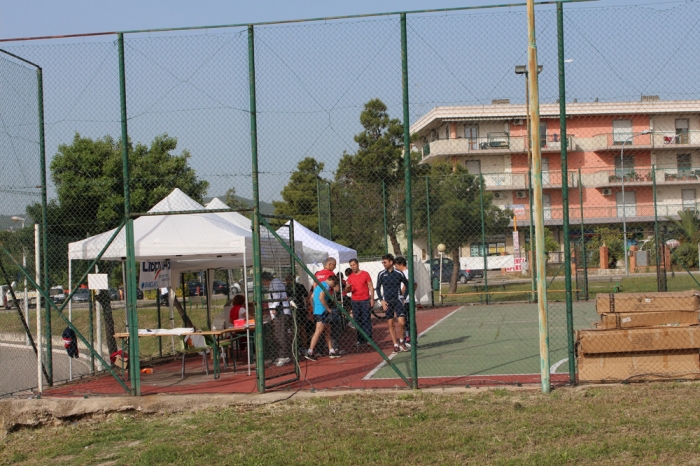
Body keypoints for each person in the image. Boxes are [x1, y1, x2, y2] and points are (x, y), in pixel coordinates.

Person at [309, 258, 345, 355]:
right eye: (334, 265)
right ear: (329, 264)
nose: (335, 267)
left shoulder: (317, 274)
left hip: (317, 304)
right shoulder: (331, 275)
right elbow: (337, 289)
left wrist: (312, 306)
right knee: (330, 327)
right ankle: (334, 347)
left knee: (322, 329)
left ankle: (324, 350)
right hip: (326, 303)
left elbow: (314, 288)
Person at [376, 253, 409, 354]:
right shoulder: (381, 274)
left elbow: (408, 285)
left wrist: (403, 297)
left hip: (398, 300)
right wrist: (382, 300)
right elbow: (377, 288)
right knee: (390, 324)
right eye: (382, 262)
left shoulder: (399, 273)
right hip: (387, 302)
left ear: (391, 262)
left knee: (401, 323)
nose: (383, 264)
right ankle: (395, 345)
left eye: (385, 262)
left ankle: (402, 341)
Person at [306, 275, 342, 361]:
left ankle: (331, 350)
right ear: (332, 281)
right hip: (322, 311)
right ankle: (310, 351)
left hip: (319, 311)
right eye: (333, 285)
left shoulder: (319, 285)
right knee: (318, 332)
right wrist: (328, 309)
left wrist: (314, 308)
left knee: (327, 330)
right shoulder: (325, 285)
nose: (332, 287)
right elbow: (321, 298)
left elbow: (311, 298)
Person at [261, 272, 291, 367]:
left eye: (263, 281)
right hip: (280, 312)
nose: (263, 284)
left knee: (280, 334)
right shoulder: (274, 283)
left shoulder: (275, 283)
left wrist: (274, 307)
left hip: (281, 312)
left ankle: (284, 356)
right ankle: (282, 355)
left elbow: (277, 296)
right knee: (279, 334)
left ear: (265, 279)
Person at [344, 258, 374, 346]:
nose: (353, 267)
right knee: (357, 320)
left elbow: (371, 287)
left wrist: (372, 299)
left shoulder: (365, 274)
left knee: (366, 319)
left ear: (358, 264)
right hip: (355, 301)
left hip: (365, 300)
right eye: (351, 265)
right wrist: (347, 287)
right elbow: (347, 291)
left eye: (354, 265)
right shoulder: (350, 277)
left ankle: (369, 339)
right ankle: (360, 340)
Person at [285, 274, 312, 353]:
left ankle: (298, 346)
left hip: (294, 309)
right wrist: (307, 305)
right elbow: (307, 296)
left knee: (296, 328)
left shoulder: (287, 287)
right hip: (301, 308)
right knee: (302, 328)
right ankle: (304, 347)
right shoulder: (300, 286)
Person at [394, 256, 416, 344]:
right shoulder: (408, 272)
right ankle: (412, 338)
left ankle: (409, 339)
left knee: (407, 320)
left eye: (396, 265)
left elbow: (408, 285)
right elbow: (415, 284)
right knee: (409, 320)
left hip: (406, 300)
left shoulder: (405, 273)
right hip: (408, 299)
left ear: (401, 265)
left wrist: (402, 294)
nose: (396, 267)